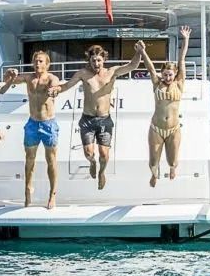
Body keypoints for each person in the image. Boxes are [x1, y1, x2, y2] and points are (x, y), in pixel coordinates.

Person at [51, 42, 144, 190]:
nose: (96, 63)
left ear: (104, 60)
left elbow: (132, 66)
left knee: (104, 155)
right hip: (87, 119)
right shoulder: (83, 74)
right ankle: (92, 163)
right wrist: (56, 89)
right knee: (89, 153)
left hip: (104, 120)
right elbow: (67, 86)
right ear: (89, 60)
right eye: (93, 60)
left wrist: (139, 52)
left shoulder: (112, 72)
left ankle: (102, 172)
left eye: (99, 60)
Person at [4, 51, 61, 209]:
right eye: (35, 61)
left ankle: (52, 195)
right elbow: (7, 80)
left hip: (48, 124)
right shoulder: (29, 78)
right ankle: (28, 192)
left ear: (47, 64)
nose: (37, 63)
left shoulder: (51, 78)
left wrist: (54, 91)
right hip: (32, 124)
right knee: (30, 160)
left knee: (51, 160)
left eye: (41, 61)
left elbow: (57, 87)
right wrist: (9, 73)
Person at [138, 26, 191, 186]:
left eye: (171, 74)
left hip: (174, 128)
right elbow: (150, 67)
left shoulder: (179, 84)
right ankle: (154, 175)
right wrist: (142, 51)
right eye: (165, 74)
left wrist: (185, 39)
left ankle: (172, 168)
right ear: (163, 74)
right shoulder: (157, 83)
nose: (168, 77)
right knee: (153, 161)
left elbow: (181, 60)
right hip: (156, 128)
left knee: (172, 160)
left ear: (175, 74)